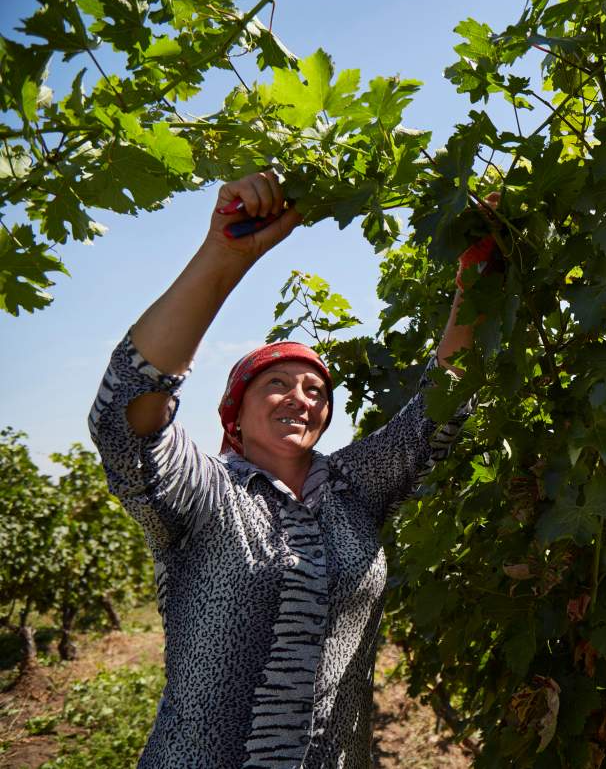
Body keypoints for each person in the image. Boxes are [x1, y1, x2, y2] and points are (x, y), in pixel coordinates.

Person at [87, 172, 492, 767]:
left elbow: (443, 406)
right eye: (275, 384)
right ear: (236, 412)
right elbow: (125, 419)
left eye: (315, 389)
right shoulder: (207, 495)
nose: (301, 397)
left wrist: (476, 273)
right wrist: (223, 257)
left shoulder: (354, 489)